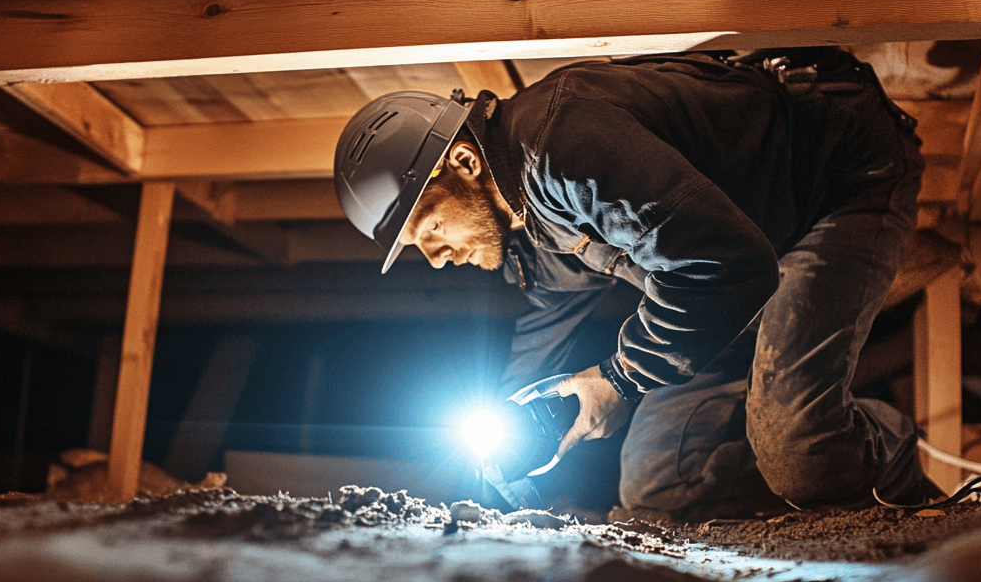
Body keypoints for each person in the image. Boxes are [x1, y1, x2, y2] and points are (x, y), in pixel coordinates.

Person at [333, 48, 940, 521]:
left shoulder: (561, 145)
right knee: (655, 483)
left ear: (464, 165)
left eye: (430, 226)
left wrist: (619, 379)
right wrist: (499, 468)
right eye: (420, 248)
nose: (437, 258)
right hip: (738, 265)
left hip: (836, 185)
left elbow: (725, 266)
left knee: (798, 446)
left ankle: (918, 497)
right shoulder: (533, 239)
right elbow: (538, 351)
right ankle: (808, 483)